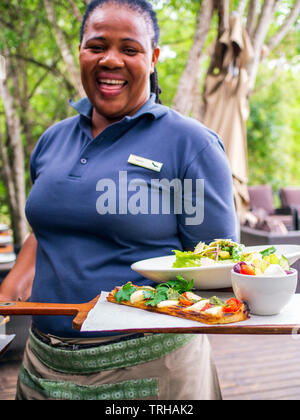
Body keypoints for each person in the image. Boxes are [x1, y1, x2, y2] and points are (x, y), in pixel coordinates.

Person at [0, 0, 237, 400]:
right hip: (43, 366)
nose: (111, 60)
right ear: (80, 52)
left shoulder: (191, 145)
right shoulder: (52, 141)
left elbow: (217, 264)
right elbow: (46, 233)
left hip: (150, 369)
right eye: (97, 46)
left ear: (154, 57)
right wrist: (7, 297)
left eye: (130, 49)